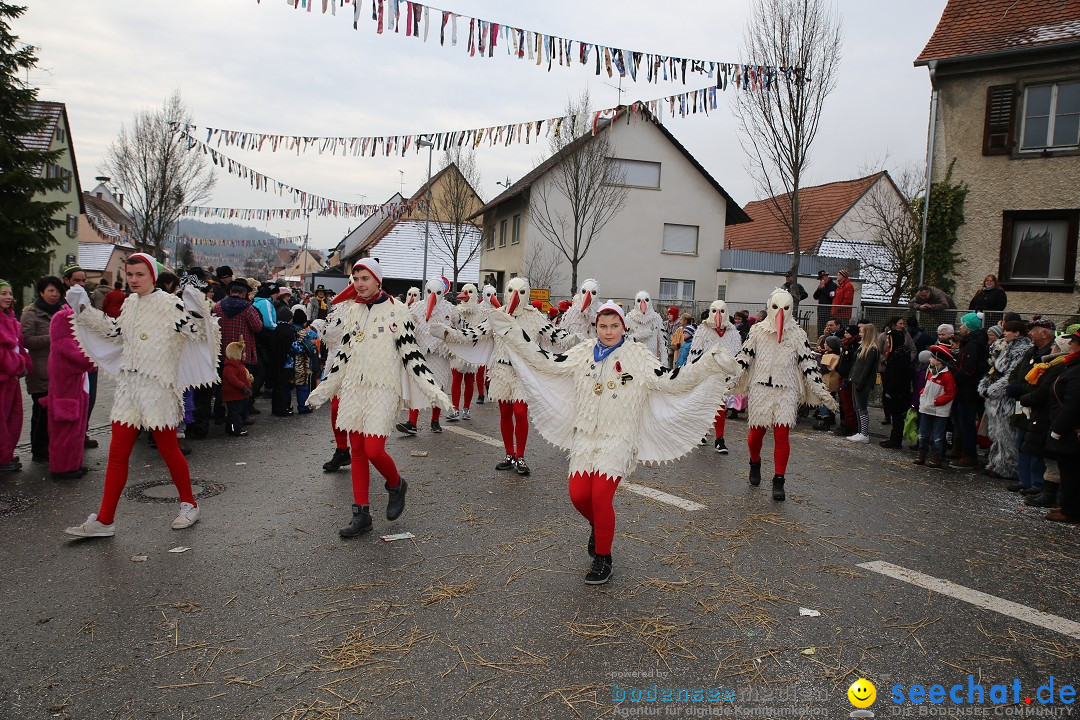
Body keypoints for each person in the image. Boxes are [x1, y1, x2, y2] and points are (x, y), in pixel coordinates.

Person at [489, 300, 738, 584]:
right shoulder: (583, 353)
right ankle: (599, 525)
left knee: (600, 496)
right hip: (584, 435)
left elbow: (671, 380)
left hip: (619, 438)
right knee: (579, 495)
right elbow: (544, 360)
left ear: (623, 326)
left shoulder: (638, 357)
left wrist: (707, 364)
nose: (608, 332)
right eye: (603, 326)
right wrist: (510, 332)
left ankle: (602, 558)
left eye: (614, 326)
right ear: (596, 327)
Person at [63, 253, 220, 537]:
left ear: (152, 276)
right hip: (129, 388)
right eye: (130, 275)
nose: (133, 280)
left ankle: (189, 503)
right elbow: (114, 333)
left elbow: (197, 332)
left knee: (169, 450)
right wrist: (85, 311)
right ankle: (105, 519)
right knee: (117, 453)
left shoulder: (169, 304)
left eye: (139, 275)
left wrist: (198, 308)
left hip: (159, 389)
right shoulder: (129, 303)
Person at [306, 259, 450, 538]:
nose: (359, 283)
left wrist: (435, 391)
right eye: (356, 278)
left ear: (377, 280)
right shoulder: (352, 312)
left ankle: (396, 485)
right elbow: (343, 356)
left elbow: (412, 355)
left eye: (365, 278)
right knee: (357, 451)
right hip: (353, 388)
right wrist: (323, 391)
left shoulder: (398, 311)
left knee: (373, 450)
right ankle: (361, 514)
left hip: (383, 389)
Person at [439, 277, 574, 475]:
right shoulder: (497, 316)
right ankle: (509, 454)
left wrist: (578, 340)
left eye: (520, 292)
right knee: (505, 413)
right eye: (511, 291)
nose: (515, 296)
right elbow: (475, 334)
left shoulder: (534, 317)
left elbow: (554, 335)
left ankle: (521, 456)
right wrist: (448, 334)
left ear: (526, 294)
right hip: (501, 371)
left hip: (524, 371)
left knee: (520, 412)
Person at [728, 289, 837, 501]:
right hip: (760, 388)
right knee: (756, 435)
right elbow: (744, 358)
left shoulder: (798, 335)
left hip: (787, 390)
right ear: (770, 307)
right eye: (776, 307)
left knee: (781, 434)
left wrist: (823, 393)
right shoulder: (757, 331)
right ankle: (755, 462)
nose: (780, 312)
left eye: (785, 308)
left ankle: (779, 480)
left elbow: (808, 363)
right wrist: (728, 382)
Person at [40, 304, 96, 479]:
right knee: (66, 436)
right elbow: (87, 362)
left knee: (72, 434)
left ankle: (72, 465)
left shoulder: (61, 343)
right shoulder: (65, 344)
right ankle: (62, 468)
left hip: (68, 396)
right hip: (67, 397)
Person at [1004, 319, 1058, 497]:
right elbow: (1016, 372)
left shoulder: (1052, 353)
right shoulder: (1031, 351)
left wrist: (1023, 390)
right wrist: (1014, 386)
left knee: (1034, 444)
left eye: (1033, 331)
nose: (1030, 334)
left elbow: (1044, 383)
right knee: (1021, 440)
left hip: (1037, 405)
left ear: (1044, 333)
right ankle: (1024, 480)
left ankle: (1037, 483)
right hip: (1022, 402)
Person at [397, 278, 454, 435]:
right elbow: (405, 326)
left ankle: (435, 420)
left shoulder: (450, 309)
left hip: (440, 356)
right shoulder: (415, 308)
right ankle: (412, 423)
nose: (433, 296)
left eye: (437, 293)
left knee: (438, 387)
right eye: (430, 292)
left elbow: (458, 329)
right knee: (417, 385)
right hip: (420, 353)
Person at [977, 320, 1032, 480]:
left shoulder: (1021, 350)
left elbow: (1011, 375)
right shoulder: (1006, 347)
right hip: (996, 398)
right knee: (996, 433)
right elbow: (994, 369)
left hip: (1006, 398)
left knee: (1006, 434)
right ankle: (995, 462)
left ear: (1017, 333)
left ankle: (1007, 467)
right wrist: (985, 385)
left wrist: (993, 389)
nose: (1005, 333)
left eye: (1008, 330)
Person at [21, 275, 65, 463]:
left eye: (57, 291)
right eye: (50, 291)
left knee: (54, 413)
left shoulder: (63, 311)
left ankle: (51, 446)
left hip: (59, 370)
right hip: (40, 370)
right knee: (41, 412)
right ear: (41, 292)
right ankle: (39, 450)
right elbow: (27, 340)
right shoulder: (31, 313)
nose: (54, 295)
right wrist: (53, 336)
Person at [689, 300, 743, 453]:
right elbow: (694, 354)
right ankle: (702, 431)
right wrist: (692, 373)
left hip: (723, 375)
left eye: (722, 311)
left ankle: (720, 439)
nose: (718, 316)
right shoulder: (702, 329)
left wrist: (735, 375)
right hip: (705, 374)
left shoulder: (733, 332)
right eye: (714, 311)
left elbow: (737, 355)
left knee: (720, 405)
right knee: (704, 404)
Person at [1041, 330, 1080, 523]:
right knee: (1067, 468)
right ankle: (1068, 505)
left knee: (1071, 469)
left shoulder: (1077, 369)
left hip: (1072, 428)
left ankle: (1071, 509)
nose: (1071, 343)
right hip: (1067, 425)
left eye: (1074, 341)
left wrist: (1058, 427)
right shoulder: (1072, 365)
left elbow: (1073, 403)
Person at [213, 279, 264, 421]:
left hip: (222, 351)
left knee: (222, 384)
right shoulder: (247, 308)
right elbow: (258, 327)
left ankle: (219, 413)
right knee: (243, 383)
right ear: (243, 293)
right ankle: (240, 417)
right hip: (241, 353)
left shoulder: (217, 307)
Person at [949, 313, 989, 470]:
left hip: (967, 389)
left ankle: (969, 455)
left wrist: (956, 378)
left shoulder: (972, 345)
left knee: (966, 423)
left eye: (963, 324)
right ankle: (961, 450)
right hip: (967, 388)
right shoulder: (974, 343)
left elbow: (968, 368)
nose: (961, 327)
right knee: (962, 422)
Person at [0, 279, 30, 473]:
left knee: (13, 418)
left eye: (10, 293)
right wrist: (19, 364)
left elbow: (19, 345)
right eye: (3, 293)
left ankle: (6, 454)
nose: (8, 297)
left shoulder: (10, 317)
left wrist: (25, 363)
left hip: (11, 379)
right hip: (4, 378)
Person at [914, 345, 956, 468]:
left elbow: (950, 394)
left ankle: (936, 455)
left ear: (938, 360)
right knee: (923, 433)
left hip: (939, 410)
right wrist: (923, 394)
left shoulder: (947, 376)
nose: (930, 360)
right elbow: (927, 387)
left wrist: (936, 401)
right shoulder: (931, 372)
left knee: (938, 435)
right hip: (927, 407)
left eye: (932, 357)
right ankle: (921, 453)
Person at [447, 284, 482, 421]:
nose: (466, 294)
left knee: (469, 379)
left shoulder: (480, 312)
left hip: (473, 349)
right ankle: (455, 409)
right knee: (456, 378)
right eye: (464, 291)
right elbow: (451, 327)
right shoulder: (456, 310)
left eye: (469, 292)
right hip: (458, 348)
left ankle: (466, 408)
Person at [879, 327, 913, 449]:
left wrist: (890, 390)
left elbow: (896, 374)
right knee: (895, 415)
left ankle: (896, 440)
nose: (888, 342)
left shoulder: (900, 353)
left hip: (898, 391)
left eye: (889, 339)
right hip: (896, 389)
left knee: (897, 415)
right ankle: (894, 438)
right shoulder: (898, 351)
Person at [845, 322, 879, 444]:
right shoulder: (862, 347)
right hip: (856, 380)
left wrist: (861, 383)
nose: (860, 334)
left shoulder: (872, 349)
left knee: (861, 407)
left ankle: (864, 433)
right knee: (857, 407)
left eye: (862, 332)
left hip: (862, 382)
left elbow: (867, 369)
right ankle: (860, 432)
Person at [288, 308, 318, 414]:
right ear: (303, 321)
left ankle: (287, 406)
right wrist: (313, 345)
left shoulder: (290, 329)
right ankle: (303, 407)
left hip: (288, 362)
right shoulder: (302, 333)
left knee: (288, 386)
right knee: (302, 385)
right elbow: (309, 350)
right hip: (301, 362)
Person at [221, 340, 253, 437]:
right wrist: (243, 386)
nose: (245, 354)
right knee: (235, 413)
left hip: (239, 395)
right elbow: (233, 380)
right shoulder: (229, 367)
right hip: (233, 395)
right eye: (243, 352)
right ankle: (236, 429)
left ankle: (230, 428)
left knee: (234, 412)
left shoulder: (238, 365)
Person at [627, 291, 667, 366]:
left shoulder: (656, 318)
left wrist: (664, 362)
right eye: (639, 301)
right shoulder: (629, 318)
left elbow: (662, 341)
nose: (643, 304)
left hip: (652, 362)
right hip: (634, 362)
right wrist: (638, 336)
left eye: (646, 300)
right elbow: (624, 340)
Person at [813, 271, 839, 335]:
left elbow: (831, 296)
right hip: (821, 309)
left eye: (823, 277)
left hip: (828, 309)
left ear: (827, 277)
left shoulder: (833, 285)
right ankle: (820, 337)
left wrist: (824, 288)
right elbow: (815, 297)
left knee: (828, 325)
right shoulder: (821, 286)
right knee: (820, 326)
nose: (822, 279)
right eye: (821, 278)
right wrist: (819, 289)